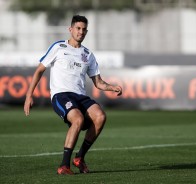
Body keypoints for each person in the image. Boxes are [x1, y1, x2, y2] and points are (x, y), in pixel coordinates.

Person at [24, 15, 122, 175]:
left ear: (86, 31)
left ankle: (80, 157)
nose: (81, 32)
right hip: (61, 95)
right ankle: (64, 165)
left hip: (80, 96)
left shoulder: (88, 55)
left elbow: (98, 82)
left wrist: (112, 87)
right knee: (78, 119)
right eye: (78, 28)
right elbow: (39, 70)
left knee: (100, 117)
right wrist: (29, 96)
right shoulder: (59, 47)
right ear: (70, 29)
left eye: (84, 29)